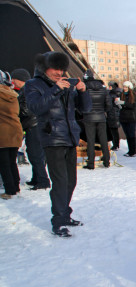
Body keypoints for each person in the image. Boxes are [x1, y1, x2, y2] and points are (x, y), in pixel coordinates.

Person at [24, 51, 91, 237]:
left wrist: (83, 91)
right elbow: (35, 107)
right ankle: (58, 220)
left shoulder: (66, 85)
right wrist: (55, 89)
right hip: (51, 138)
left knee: (71, 181)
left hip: (69, 138)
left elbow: (85, 108)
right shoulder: (33, 85)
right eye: (56, 69)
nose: (59, 73)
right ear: (45, 68)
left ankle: (65, 214)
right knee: (60, 181)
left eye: (62, 69)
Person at [11, 68, 50, 190]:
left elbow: (28, 109)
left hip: (34, 125)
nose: (12, 81)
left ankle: (43, 180)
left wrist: (16, 111)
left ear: (20, 79)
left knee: (36, 154)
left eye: (14, 79)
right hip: (32, 125)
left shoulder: (27, 90)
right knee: (33, 153)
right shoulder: (26, 90)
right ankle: (36, 178)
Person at [81, 69, 111, 169]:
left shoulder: (85, 89)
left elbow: (81, 104)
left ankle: (91, 163)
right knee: (103, 140)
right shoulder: (103, 89)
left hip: (89, 118)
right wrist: (102, 111)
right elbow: (109, 105)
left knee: (90, 141)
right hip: (101, 117)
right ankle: (106, 161)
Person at [0, 70, 23, 200]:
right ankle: (15, 187)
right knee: (12, 162)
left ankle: (9, 191)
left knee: (4, 164)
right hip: (15, 131)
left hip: (2, 133)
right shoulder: (13, 95)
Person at [119, 81, 136, 156]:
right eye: (124, 87)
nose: (124, 89)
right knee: (127, 134)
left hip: (131, 118)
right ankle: (130, 150)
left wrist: (124, 103)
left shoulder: (133, 96)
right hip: (123, 117)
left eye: (126, 87)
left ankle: (133, 151)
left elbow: (133, 106)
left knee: (131, 134)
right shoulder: (122, 95)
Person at [107, 81, 121, 151]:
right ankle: (115, 144)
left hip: (114, 114)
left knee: (114, 131)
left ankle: (116, 145)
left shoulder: (115, 94)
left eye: (110, 86)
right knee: (113, 131)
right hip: (111, 114)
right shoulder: (111, 94)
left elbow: (119, 105)